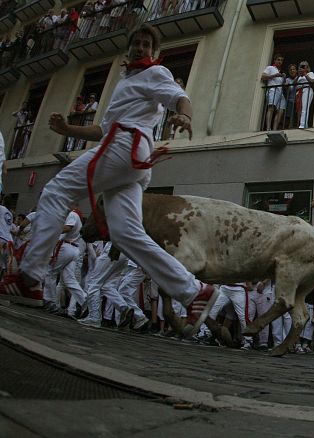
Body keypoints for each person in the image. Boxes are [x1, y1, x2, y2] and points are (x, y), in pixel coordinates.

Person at [0, 24, 218, 338]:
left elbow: (179, 97)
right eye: (137, 43)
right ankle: (195, 292)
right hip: (128, 156)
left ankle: (30, 278)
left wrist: (185, 115)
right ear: (129, 48)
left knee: (56, 191)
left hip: (125, 148)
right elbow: (101, 129)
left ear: (152, 51)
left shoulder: (155, 73)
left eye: (146, 44)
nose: (141, 47)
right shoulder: (126, 80)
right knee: (126, 232)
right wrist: (68, 130)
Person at [261, 53, 286, 130]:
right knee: (271, 108)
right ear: (275, 60)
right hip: (273, 90)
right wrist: (274, 75)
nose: (280, 61)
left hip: (280, 92)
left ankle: (274, 129)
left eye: (281, 60)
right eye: (278, 60)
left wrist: (284, 78)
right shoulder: (270, 68)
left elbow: (283, 84)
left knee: (281, 110)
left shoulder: (280, 72)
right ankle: (268, 128)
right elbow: (263, 77)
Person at [295, 60, 314, 128]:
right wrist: (298, 75)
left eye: (304, 66)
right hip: (299, 92)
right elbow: (293, 83)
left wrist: (305, 74)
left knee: (304, 107)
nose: (302, 67)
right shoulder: (299, 76)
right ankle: (302, 124)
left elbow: (312, 81)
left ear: (307, 67)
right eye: (301, 66)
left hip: (307, 90)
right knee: (299, 109)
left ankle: (302, 124)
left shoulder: (310, 73)